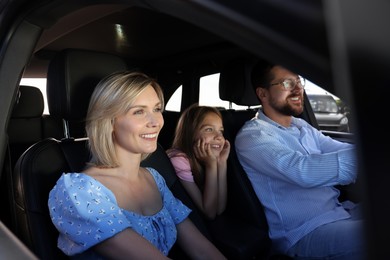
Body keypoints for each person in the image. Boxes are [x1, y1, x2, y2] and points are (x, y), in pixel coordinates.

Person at [48, 71, 226, 259]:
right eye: (139, 111)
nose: (156, 122)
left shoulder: (154, 178)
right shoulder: (79, 191)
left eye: (157, 109)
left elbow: (201, 249)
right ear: (109, 122)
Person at [235, 61, 365, 259]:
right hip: (304, 233)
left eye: (298, 81)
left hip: (339, 213)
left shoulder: (301, 126)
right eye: (287, 83)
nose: (298, 89)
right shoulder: (253, 137)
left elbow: (338, 149)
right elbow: (303, 171)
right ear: (263, 94)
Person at [167, 104, 230, 220]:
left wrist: (221, 162)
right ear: (190, 133)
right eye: (209, 130)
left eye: (221, 131)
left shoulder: (208, 156)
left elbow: (220, 209)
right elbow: (210, 213)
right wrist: (211, 166)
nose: (219, 137)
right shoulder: (179, 160)